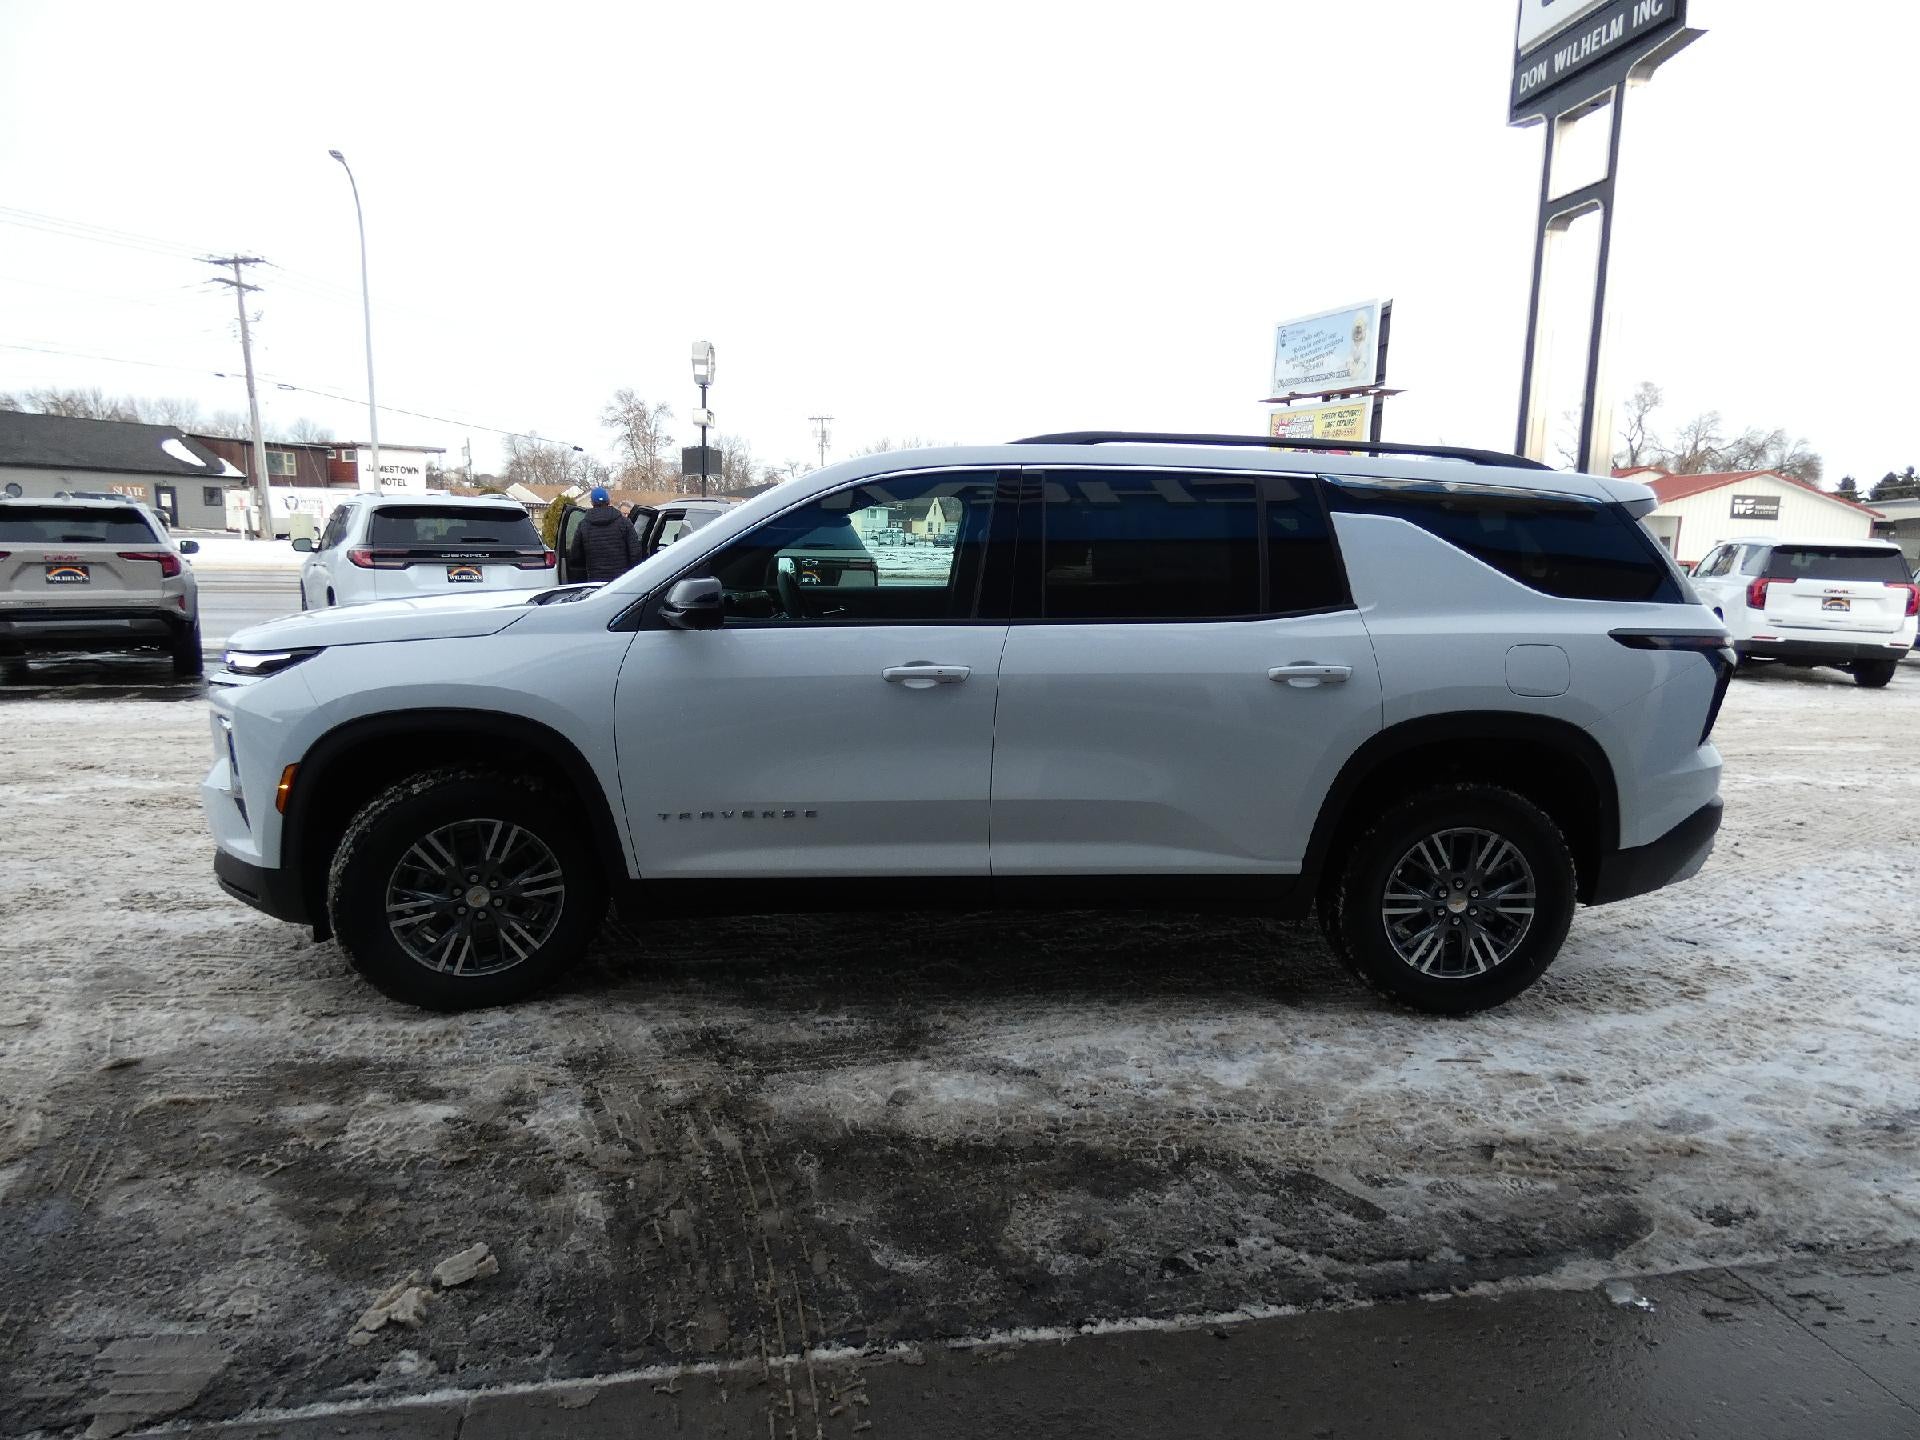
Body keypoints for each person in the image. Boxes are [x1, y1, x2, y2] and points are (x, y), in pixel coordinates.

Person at [569, 487, 644, 582]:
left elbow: (576, 556)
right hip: (621, 581)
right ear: (608, 501)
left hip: (595, 581)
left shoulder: (583, 525)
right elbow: (635, 553)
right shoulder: (624, 523)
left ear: (592, 503)